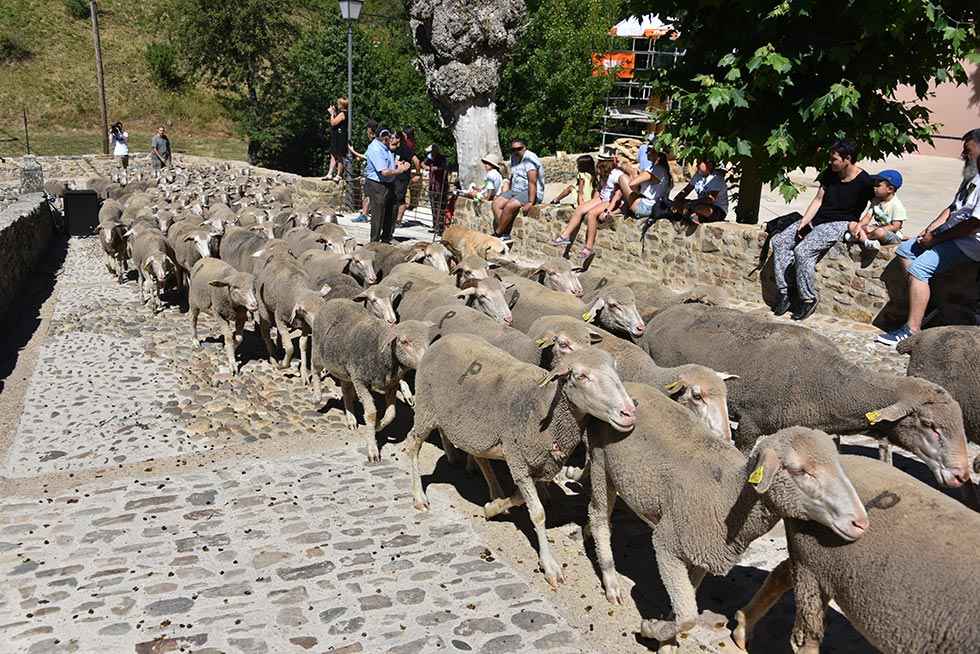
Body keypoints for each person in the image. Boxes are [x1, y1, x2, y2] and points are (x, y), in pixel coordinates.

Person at [876, 129, 980, 346]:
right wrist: (931, 228)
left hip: (971, 242)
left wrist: (936, 240)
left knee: (919, 269)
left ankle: (911, 329)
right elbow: (953, 208)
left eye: (968, 151)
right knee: (905, 250)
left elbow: (972, 224)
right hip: (954, 234)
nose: (964, 155)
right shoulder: (972, 175)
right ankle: (925, 303)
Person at [770, 140, 874, 321]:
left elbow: (875, 206)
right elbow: (818, 200)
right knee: (780, 241)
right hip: (819, 219)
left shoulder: (864, 181)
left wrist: (861, 225)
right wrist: (804, 222)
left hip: (841, 223)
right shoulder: (829, 174)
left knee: (802, 251)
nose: (830, 162)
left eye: (834, 159)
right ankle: (785, 291)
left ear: (847, 159)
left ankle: (808, 298)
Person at [551, 148, 624, 260]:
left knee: (591, 214)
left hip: (609, 200)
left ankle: (588, 247)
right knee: (580, 209)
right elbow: (600, 189)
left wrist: (608, 210)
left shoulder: (617, 175)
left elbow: (618, 194)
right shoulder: (604, 173)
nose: (599, 164)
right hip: (601, 197)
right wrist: (592, 201)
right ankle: (565, 235)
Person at [362, 126, 410, 243]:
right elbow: (384, 171)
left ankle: (386, 238)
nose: (386, 137)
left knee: (392, 209)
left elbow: (388, 164)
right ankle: (374, 242)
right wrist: (400, 170)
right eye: (383, 135)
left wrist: (396, 164)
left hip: (388, 183)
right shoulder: (375, 149)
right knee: (378, 213)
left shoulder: (385, 147)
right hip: (377, 184)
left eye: (387, 135)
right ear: (378, 136)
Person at [492, 139, 545, 242]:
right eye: (513, 149)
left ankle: (498, 234)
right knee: (496, 203)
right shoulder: (513, 158)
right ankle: (505, 232)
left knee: (509, 206)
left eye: (519, 148)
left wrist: (530, 202)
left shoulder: (530, 159)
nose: (516, 151)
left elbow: (532, 181)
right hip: (516, 190)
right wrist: (508, 192)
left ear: (525, 147)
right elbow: (513, 176)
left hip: (530, 191)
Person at [845, 169, 906, 253]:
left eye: (878, 185)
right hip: (874, 230)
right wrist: (859, 225)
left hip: (890, 235)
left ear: (890, 189)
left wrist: (874, 228)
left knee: (879, 232)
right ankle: (866, 241)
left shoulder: (896, 205)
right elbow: (868, 217)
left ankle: (858, 238)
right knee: (852, 224)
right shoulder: (876, 200)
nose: (874, 187)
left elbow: (895, 226)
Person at [668, 159, 729, 225]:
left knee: (697, 207)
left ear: (709, 165)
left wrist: (691, 203)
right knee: (680, 203)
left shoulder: (716, 178)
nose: (697, 165)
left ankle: (691, 215)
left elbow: (710, 199)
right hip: (700, 204)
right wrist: (676, 200)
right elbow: (685, 191)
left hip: (717, 209)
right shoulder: (697, 176)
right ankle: (690, 215)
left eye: (699, 163)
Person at [623, 144, 672, 220]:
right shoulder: (664, 170)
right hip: (656, 205)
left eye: (649, 150)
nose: (646, 152)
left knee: (622, 178)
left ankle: (622, 209)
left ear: (656, 154)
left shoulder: (655, 170)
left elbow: (632, 184)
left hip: (644, 207)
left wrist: (638, 192)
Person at [393, 128, 421, 226]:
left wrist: (417, 174)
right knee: (394, 198)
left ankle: (398, 220)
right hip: (395, 176)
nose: (393, 138)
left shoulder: (406, 149)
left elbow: (416, 161)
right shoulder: (395, 148)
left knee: (400, 199)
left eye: (396, 137)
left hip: (402, 178)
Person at [350, 120, 376, 223]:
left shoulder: (374, 143)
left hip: (369, 173)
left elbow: (365, 157)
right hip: (370, 173)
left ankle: (364, 215)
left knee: (368, 195)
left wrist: (352, 151)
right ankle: (364, 214)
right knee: (368, 195)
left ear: (370, 130)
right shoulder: (376, 142)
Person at [423, 144, 451, 235]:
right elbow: (423, 163)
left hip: (441, 186)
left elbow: (445, 168)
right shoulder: (430, 157)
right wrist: (426, 167)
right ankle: (435, 226)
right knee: (434, 207)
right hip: (433, 186)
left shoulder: (442, 158)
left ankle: (440, 228)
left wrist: (437, 169)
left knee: (441, 207)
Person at [325, 97, 349, 181]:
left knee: (339, 155)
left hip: (340, 137)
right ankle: (330, 173)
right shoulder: (342, 113)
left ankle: (338, 175)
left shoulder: (343, 114)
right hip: (337, 136)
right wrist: (334, 113)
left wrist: (331, 114)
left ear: (342, 105)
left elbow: (333, 123)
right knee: (333, 154)